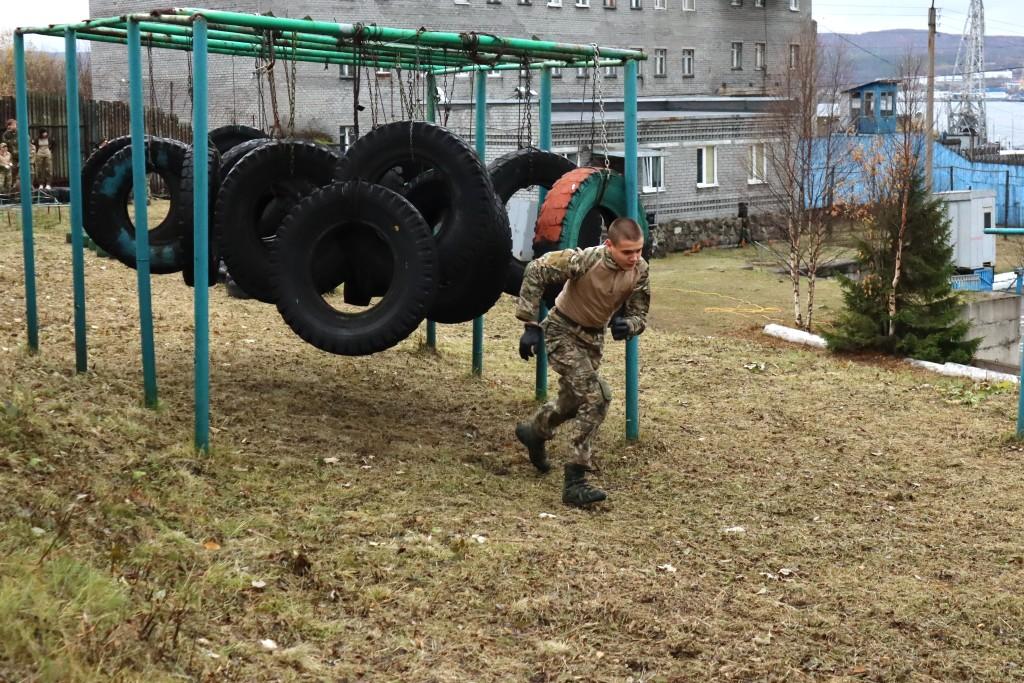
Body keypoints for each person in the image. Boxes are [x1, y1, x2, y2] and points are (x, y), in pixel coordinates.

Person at [514, 217, 650, 507]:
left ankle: (534, 431)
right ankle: (575, 480)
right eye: (628, 252)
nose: (635, 257)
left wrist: (630, 325)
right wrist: (529, 324)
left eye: (639, 250)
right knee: (598, 396)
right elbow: (536, 269)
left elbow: (640, 314)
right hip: (561, 331)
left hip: (592, 341)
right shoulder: (585, 260)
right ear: (609, 245)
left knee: (574, 403)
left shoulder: (639, 271)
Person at [2, 119, 18, 188]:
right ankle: (12, 186)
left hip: (22, 155)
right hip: (12, 156)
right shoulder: (6, 134)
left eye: (11, 126)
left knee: (23, 171)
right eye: (8, 127)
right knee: (12, 170)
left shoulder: (21, 132)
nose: (9, 128)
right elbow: (4, 145)